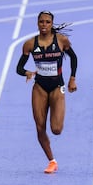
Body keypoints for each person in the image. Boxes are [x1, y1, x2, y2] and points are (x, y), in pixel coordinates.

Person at [16, 11, 78, 174]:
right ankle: (52, 161)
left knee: (56, 129)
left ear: (52, 24)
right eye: (41, 22)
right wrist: (27, 73)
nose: (44, 25)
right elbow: (18, 68)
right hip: (39, 87)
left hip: (57, 86)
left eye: (47, 22)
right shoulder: (29, 44)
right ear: (37, 23)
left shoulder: (61, 41)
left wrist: (72, 78)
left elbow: (74, 58)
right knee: (40, 127)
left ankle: (59, 113)